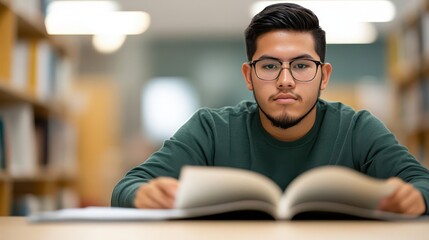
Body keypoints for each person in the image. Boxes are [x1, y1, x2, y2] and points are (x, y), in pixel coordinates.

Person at [112, 3, 429, 216]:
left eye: (302, 65)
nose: (286, 81)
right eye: (269, 65)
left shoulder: (357, 129)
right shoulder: (211, 128)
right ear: (249, 76)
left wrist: (416, 198)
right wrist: (143, 195)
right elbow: (126, 188)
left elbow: (422, 184)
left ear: (324, 75)